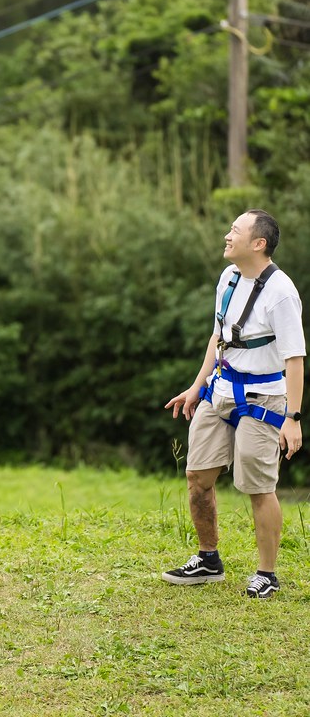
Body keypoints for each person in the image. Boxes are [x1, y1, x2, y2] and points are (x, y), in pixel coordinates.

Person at [163, 209, 305, 599]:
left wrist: (292, 417)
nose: (227, 235)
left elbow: (294, 359)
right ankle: (209, 560)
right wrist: (197, 385)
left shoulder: (281, 293)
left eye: (235, 231)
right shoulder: (227, 278)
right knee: (197, 477)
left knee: (257, 487)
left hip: (263, 397)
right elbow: (218, 337)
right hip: (220, 389)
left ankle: (267, 574)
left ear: (258, 244)